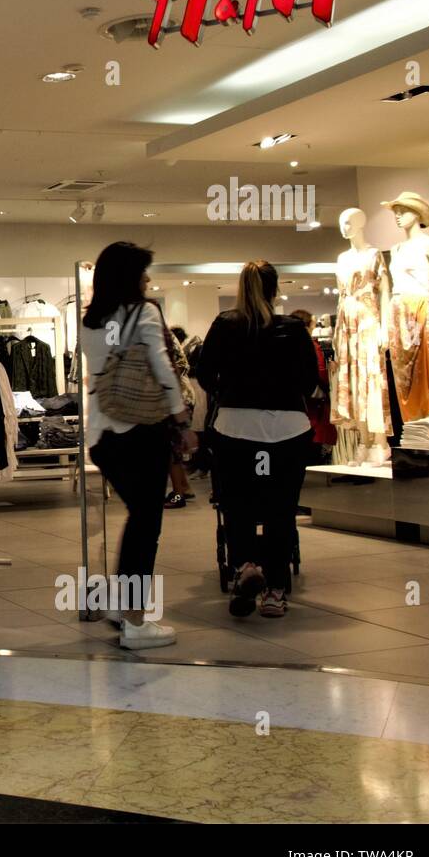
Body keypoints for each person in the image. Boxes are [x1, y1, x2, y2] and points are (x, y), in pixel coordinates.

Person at [81, 242, 189, 649]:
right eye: (143, 273)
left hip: (102, 438)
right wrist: (181, 418)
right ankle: (135, 621)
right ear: (130, 277)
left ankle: (122, 606)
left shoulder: (90, 322)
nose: (148, 280)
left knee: (138, 518)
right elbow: (163, 368)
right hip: (141, 432)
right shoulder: (144, 313)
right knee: (146, 524)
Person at [197, 262, 318, 618]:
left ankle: (246, 566)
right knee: (282, 509)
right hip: (287, 428)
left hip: (237, 426)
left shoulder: (225, 325)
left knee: (238, 506)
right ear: (275, 289)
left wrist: (230, 391)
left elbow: (204, 374)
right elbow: (309, 381)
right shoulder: (294, 329)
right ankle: (276, 590)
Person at [290, 308, 336, 466]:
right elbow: (320, 371)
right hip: (312, 396)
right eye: (312, 325)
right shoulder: (310, 345)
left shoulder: (286, 345)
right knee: (315, 426)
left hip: (294, 398)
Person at [163, 324, 198, 509]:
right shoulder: (166, 334)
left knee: (172, 448)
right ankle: (184, 487)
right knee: (173, 445)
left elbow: (173, 368)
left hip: (177, 397)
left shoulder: (159, 334)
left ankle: (178, 493)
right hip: (182, 395)